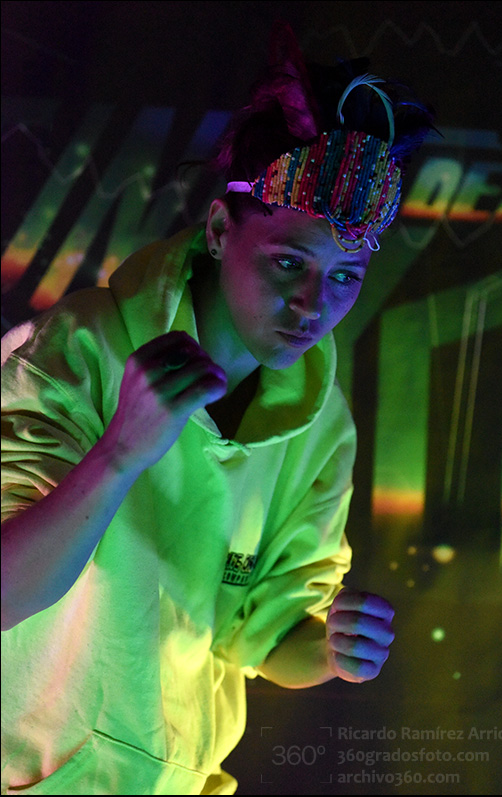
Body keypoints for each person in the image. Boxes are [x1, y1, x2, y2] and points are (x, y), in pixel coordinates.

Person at [1, 21, 435, 797]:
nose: (312, 303)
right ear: (217, 229)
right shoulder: (75, 350)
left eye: (345, 276)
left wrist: (330, 649)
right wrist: (120, 453)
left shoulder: (321, 423)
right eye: (288, 261)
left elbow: (265, 633)